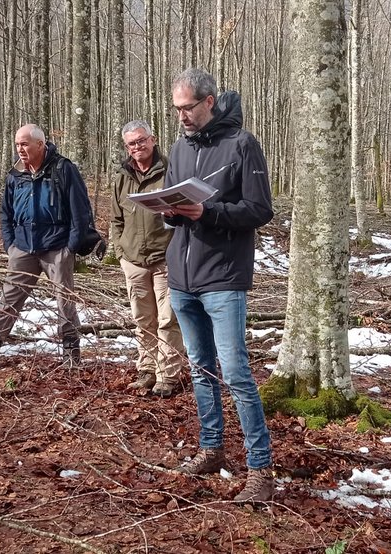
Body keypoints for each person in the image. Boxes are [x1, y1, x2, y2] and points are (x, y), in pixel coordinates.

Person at [162, 68, 276, 503]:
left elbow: (258, 209)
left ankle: (260, 469)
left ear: (209, 101)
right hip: (182, 276)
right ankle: (211, 449)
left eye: (188, 108)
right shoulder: (178, 147)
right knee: (200, 369)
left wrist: (206, 214)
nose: (182, 117)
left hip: (224, 276)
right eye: (176, 109)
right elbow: (176, 200)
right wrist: (170, 212)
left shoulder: (242, 144)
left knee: (236, 372)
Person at [0, 124, 95, 370]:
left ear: (40, 144)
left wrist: (71, 246)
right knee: (9, 299)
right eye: (17, 144)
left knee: (64, 301)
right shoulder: (15, 175)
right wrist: (10, 245)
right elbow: (5, 212)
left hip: (57, 247)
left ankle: (70, 354)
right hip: (23, 247)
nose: (20, 149)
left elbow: (81, 211)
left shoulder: (63, 169)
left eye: (24, 144)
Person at [110, 120, 187, 397]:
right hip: (133, 259)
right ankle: (147, 368)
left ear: (152, 140)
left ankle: (167, 375)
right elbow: (115, 219)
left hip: (165, 258)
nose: (138, 147)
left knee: (168, 319)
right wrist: (121, 253)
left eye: (142, 140)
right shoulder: (122, 176)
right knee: (143, 318)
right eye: (132, 143)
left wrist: (176, 250)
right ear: (126, 147)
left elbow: (184, 213)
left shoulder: (171, 171)